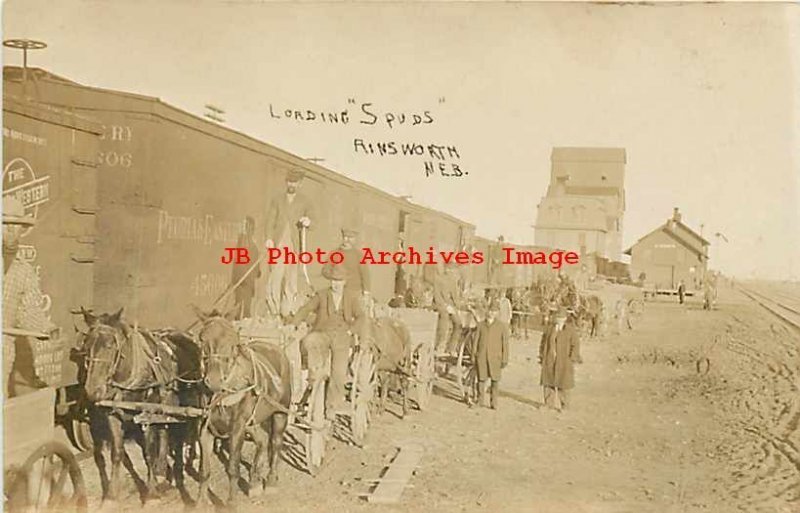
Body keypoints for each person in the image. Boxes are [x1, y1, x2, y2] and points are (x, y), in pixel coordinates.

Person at [288, 264, 368, 419]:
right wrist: (294, 323)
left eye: (339, 281)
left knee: (338, 372)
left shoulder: (351, 297)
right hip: (323, 333)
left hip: (342, 337)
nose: (336, 284)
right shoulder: (322, 295)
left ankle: (331, 406)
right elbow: (306, 309)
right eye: (333, 281)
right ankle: (314, 376)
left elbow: (361, 317)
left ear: (345, 281)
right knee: (310, 340)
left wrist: (351, 331)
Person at [3, 197, 55, 397]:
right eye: (5, 225)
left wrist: (46, 328)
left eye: (17, 227)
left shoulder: (23, 271)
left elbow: (29, 312)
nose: (11, 231)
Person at [264, 168, 315, 317]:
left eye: (295, 182)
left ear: (300, 184)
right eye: (289, 182)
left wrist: (308, 221)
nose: (291, 184)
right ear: (286, 182)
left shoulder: (305, 201)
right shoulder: (277, 199)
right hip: (279, 244)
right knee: (275, 277)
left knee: (291, 280)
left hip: (294, 246)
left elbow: (314, 219)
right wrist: (268, 238)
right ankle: (273, 311)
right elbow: (270, 220)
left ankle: (287, 312)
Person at [538, 307, 582, 412]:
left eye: (562, 317)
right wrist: (541, 356)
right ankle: (548, 404)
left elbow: (575, 345)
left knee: (564, 384)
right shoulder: (549, 329)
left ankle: (565, 406)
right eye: (558, 317)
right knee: (548, 382)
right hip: (550, 359)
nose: (559, 319)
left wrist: (571, 358)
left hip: (564, 362)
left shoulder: (570, 330)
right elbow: (543, 343)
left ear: (565, 318)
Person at [474, 301, 509, 409]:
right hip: (482, 356)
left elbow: (505, 344)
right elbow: (476, 341)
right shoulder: (480, 325)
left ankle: (494, 403)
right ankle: (480, 401)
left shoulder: (502, 326)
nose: (492, 313)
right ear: (487, 311)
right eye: (490, 310)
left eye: (494, 311)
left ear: (497, 313)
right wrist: (474, 355)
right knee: (481, 379)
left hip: (495, 358)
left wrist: (504, 358)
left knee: (495, 381)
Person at [231, 216, 261, 319]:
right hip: (240, 280)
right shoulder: (242, 243)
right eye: (246, 227)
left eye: (251, 228)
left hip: (248, 281)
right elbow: (237, 263)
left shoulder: (254, 247)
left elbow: (256, 267)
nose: (249, 230)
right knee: (238, 305)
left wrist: (257, 271)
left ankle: (245, 324)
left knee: (247, 307)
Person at [434, 262, 463, 356]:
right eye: (450, 270)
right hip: (440, 306)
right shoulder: (438, 280)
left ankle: (451, 348)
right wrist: (446, 306)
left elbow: (455, 296)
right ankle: (440, 345)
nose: (452, 273)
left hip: (450, 306)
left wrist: (458, 306)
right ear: (446, 269)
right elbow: (437, 296)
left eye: (453, 271)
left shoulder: (452, 281)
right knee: (444, 319)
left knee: (458, 324)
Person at [336, 228, 371, 303]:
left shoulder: (358, 255)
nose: (346, 240)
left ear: (354, 239)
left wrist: (366, 292)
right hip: (338, 291)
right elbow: (327, 270)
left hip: (354, 291)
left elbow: (365, 274)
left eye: (350, 237)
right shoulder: (335, 253)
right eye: (345, 237)